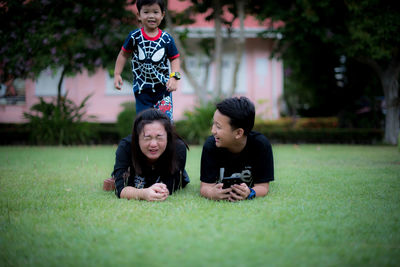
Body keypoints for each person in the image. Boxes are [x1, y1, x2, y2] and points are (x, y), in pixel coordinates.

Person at [113, 0, 181, 120]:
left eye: (155, 12)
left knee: (165, 122)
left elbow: (175, 59)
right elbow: (123, 54)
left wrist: (174, 77)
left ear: (162, 15)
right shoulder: (134, 37)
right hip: (142, 90)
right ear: (139, 15)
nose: (151, 16)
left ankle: (167, 139)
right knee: (144, 122)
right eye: (146, 12)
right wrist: (117, 73)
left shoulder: (166, 39)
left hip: (163, 90)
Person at [200, 97, 274, 202]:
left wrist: (250, 192)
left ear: (239, 133)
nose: (213, 130)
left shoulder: (260, 145)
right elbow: (205, 186)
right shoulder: (211, 146)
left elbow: (263, 187)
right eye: (213, 124)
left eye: (218, 127)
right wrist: (211, 193)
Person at [112, 108, 189, 201]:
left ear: (168, 137)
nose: (153, 144)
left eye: (159, 137)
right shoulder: (126, 147)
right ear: (137, 138)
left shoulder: (178, 148)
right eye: (147, 137)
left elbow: (170, 187)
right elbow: (120, 189)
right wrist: (143, 193)